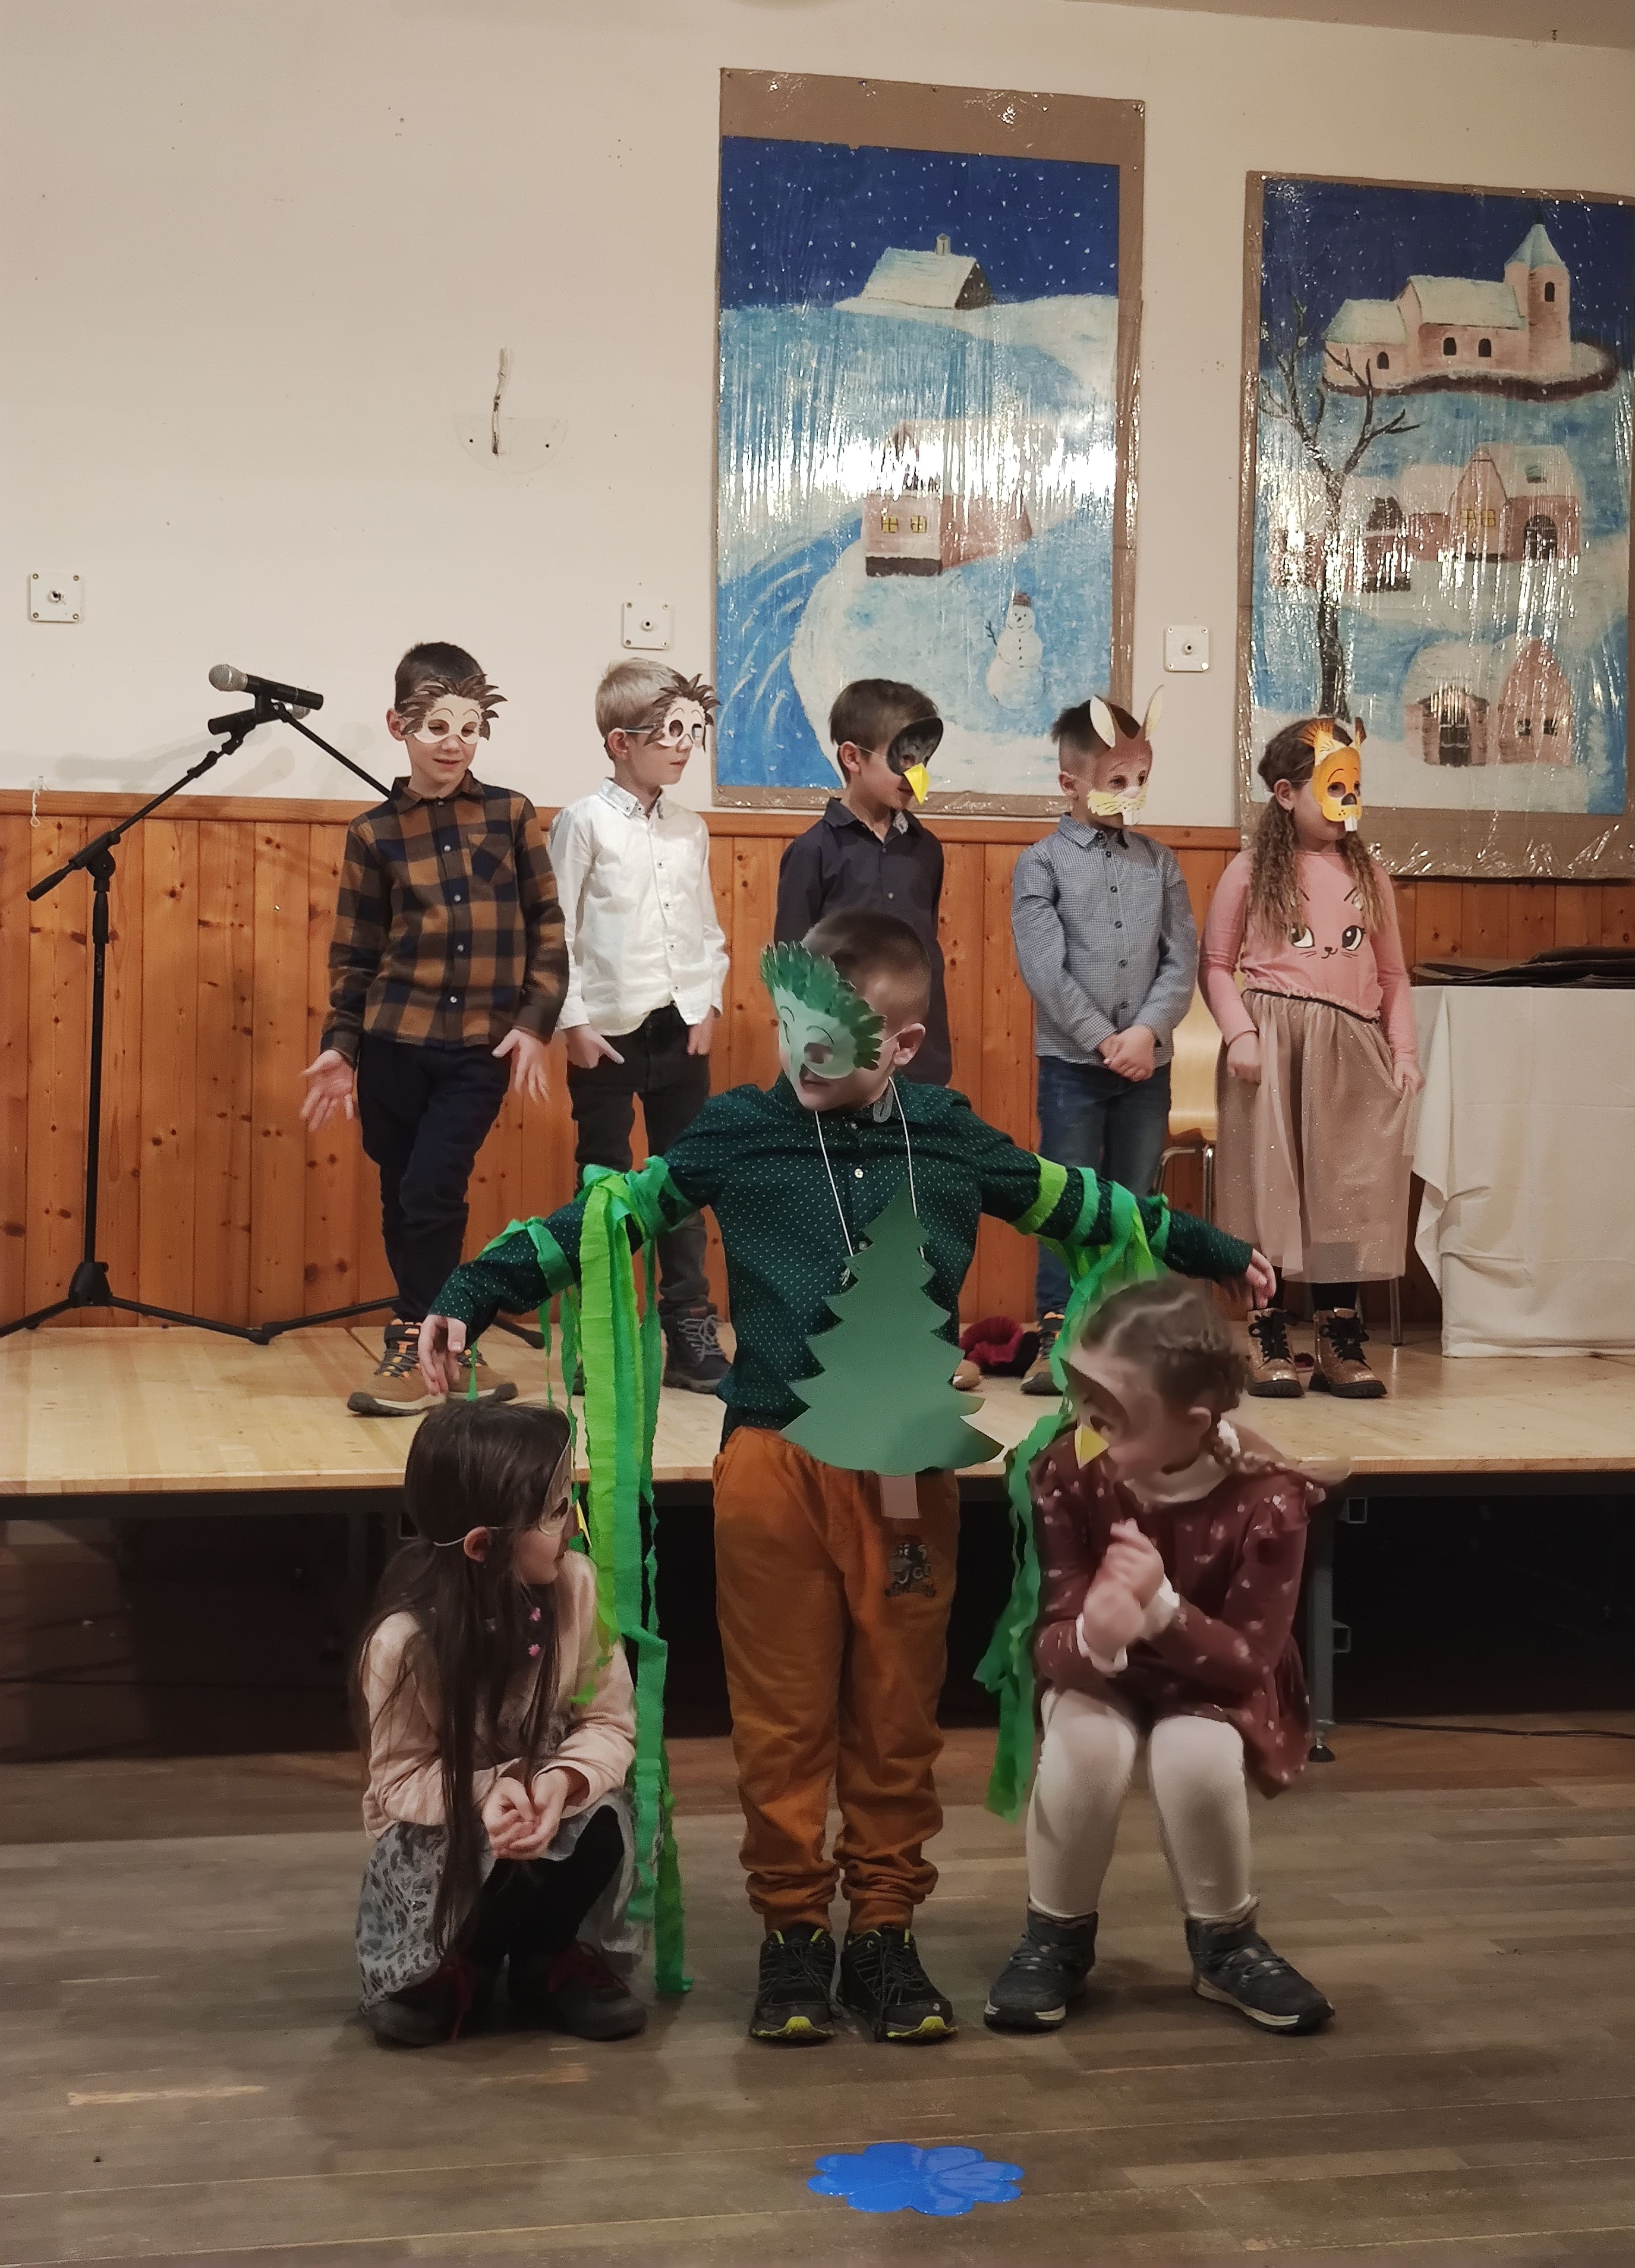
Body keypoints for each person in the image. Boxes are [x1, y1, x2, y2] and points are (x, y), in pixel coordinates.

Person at [414, 909, 1273, 2048]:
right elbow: (605, 1215)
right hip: (772, 1474)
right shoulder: (739, 1132)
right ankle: (790, 1935)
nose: (802, 1055)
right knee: (779, 1718)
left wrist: (1221, 1255)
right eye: (790, 1028)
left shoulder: (949, 1137)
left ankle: (881, 1932)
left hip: (907, 1483)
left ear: (902, 1043)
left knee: (894, 1711)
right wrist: (470, 1290)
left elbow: (1089, 1203)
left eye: (832, 1036)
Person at [984, 1278, 1332, 2039]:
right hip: (1104, 1672)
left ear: (1193, 1423)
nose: (1087, 1428)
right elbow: (1051, 1637)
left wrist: (1164, 1611)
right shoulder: (1068, 1473)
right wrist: (1095, 1635)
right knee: (1084, 1747)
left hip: (1210, 1679)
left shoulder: (1269, 1499)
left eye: (1112, 1417)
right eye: (1086, 1404)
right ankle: (1054, 1937)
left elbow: (1248, 1663)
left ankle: (1226, 1943)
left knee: (1196, 1757)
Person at [299, 641, 568, 1416]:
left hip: (479, 1047)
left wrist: (535, 1022)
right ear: (399, 725)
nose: (454, 743)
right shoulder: (373, 835)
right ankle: (444, 1345)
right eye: (436, 727)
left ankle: (421, 1341)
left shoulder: (511, 815)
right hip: (393, 1043)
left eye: (469, 728)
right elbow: (355, 954)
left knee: (432, 1187)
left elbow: (550, 928)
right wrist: (341, 1047)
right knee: (402, 1192)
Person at [354, 1400, 647, 2047]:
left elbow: (610, 1722)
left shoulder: (577, 1587)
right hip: (453, 1830)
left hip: (542, 1800)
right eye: (555, 1511)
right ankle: (462, 1961)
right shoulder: (404, 1643)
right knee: (478, 1850)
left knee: (603, 1821)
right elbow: (397, 1781)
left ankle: (548, 1957)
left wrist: (561, 1782)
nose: (574, 1525)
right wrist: (486, 1794)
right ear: (484, 1546)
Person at [1201, 717, 1421, 1401]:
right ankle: (1267, 1332)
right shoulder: (1248, 871)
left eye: (1354, 787)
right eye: (1333, 787)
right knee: (1267, 1191)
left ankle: (1336, 1337)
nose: (1346, 801)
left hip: (1350, 1050)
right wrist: (1240, 1033)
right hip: (1273, 1047)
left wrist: (1404, 1050)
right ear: (1287, 793)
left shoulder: (1369, 876)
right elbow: (1216, 965)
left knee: (1343, 1193)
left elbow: (1394, 976)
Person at [548, 658, 729, 1393]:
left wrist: (708, 1001)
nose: (684, 746)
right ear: (621, 742)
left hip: (679, 1028)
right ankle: (600, 1334)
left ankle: (688, 1324)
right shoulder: (582, 823)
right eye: (669, 733)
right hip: (605, 1032)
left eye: (692, 731)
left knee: (681, 1183)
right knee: (604, 1185)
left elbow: (705, 928)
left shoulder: (691, 829)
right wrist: (573, 1020)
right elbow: (559, 931)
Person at [1012, 691, 1193, 1393]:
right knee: (1068, 1200)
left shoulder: (1161, 863)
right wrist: (1104, 1040)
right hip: (1073, 1068)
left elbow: (1181, 958)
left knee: (1134, 1199)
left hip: (1148, 1067)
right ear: (1071, 784)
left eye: (1142, 777)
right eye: (1118, 780)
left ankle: (1126, 1340)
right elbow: (1044, 969)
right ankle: (1057, 1333)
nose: (1133, 791)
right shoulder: (1041, 865)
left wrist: (1145, 1033)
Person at [774, 679, 951, 1086]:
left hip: (917, 1057)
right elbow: (792, 968)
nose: (916, 775)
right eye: (903, 759)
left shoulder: (926, 849)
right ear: (853, 757)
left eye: (923, 760)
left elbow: (926, 942)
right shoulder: (813, 851)